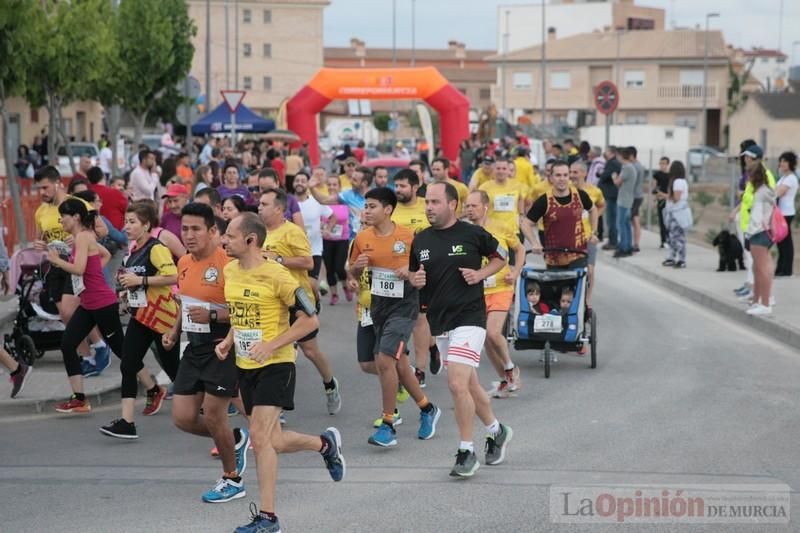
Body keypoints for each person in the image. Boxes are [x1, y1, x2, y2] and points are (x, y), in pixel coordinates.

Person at [215, 213, 344, 533]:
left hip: (277, 363)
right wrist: (229, 340)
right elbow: (238, 312)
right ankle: (324, 445)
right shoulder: (230, 270)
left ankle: (268, 518)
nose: (223, 241)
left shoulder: (278, 276)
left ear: (250, 240)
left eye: (230, 236)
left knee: (259, 438)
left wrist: (272, 345)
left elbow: (310, 321)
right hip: (245, 364)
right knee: (272, 440)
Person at [409, 182, 513, 477]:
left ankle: (467, 450)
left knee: (456, 384)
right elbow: (418, 276)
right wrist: (415, 281)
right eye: (426, 202)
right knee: (469, 385)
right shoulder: (421, 240)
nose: (428, 207)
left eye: (434, 202)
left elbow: (500, 256)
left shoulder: (472, 233)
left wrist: (480, 274)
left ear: (452, 204)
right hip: (440, 322)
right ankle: (497, 430)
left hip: (470, 317)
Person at [163, 202, 250, 503]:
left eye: (196, 229)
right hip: (194, 346)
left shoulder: (229, 262)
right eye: (184, 228)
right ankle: (235, 438)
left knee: (214, 414)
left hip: (223, 345)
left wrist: (214, 317)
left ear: (213, 230)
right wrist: (175, 331)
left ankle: (232, 479)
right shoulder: (184, 262)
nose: (188, 235)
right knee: (183, 418)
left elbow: (245, 310)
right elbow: (185, 303)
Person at [349, 187, 441, 447]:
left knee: (385, 360)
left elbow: (425, 273)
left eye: (372, 206)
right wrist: (355, 271)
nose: (366, 211)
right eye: (365, 206)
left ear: (388, 209)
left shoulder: (409, 237)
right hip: (378, 307)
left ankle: (388, 424)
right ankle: (427, 408)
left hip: (405, 306)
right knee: (399, 364)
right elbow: (353, 273)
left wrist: (410, 271)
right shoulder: (362, 238)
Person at [258, 189, 342, 415]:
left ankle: (330, 383)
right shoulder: (257, 233)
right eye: (259, 203)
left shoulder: (292, 232)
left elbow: (307, 262)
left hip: (296, 297)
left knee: (310, 350)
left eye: (264, 203)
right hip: (270, 302)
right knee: (278, 350)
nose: (259, 207)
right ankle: (276, 407)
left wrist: (279, 259)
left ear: (278, 208)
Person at [100, 201, 180, 439]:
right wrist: (125, 294)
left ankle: (206, 405)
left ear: (146, 225)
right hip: (140, 316)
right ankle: (127, 422)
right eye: (126, 222)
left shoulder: (156, 248)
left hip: (162, 318)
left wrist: (141, 282)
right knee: (128, 363)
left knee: (174, 369)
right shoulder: (134, 250)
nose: (126, 227)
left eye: (132, 222)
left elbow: (173, 276)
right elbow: (132, 280)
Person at [45, 199, 123, 413]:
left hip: (102, 302)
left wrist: (57, 260)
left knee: (122, 350)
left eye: (64, 216)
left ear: (76, 217)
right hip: (89, 303)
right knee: (68, 344)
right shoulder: (79, 238)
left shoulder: (83, 236)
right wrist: (94, 273)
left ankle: (152, 387)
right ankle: (79, 398)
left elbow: (78, 269)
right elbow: (103, 256)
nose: (61, 220)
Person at [33, 167, 112, 376]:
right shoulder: (40, 212)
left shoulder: (78, 204)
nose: (41, 192)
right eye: (38, 188)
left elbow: (103, 231)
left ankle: (101, 345)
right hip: (56, 267)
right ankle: (87, 356)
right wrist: (40, 245)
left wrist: (81, 236)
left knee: (71, 310)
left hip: (76, 262)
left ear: (58, 183)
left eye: (45, 187)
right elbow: (42, 238)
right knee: (66, 315)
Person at [464, 190, 523, 399]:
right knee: (486, 340)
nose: (469, 210)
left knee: (492, 332)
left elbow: (520, 249)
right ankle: (505, 380)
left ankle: (510, 368)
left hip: (501, 287)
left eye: (473, 206)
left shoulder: (500, 226)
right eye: (467, 206)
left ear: (485, 206)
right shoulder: (462, 230)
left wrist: (515, 272)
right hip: (477, 290)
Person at [391, 169, 440, 385]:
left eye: (402, 186)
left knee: (420, 320)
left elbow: (439, 235)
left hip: (422, 272)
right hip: (395, 274)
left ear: (414, 187)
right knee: (402, 322)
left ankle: (419, 370)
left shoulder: (426, 206)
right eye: (397, 186)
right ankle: (432, 346)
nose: (398, 190)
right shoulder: (389, 208)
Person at [524, 160, 594, 269]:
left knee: (580, 283)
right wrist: (534, 242)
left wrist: (593, 232)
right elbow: (525, 223)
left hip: (578, 254)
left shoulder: (580, 196)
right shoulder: (544, 201)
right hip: (554, 258)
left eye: (565, 175)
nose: (562, 179)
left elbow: (593, 210)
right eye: (558, 175)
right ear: (551, 178)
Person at [293, 171, 335, 290]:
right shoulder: (288, 202)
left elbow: (332, 216)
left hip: (314, 250)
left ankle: (315, 302)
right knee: (297, 286)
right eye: (297, 181)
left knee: (311, 285)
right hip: (293, 251)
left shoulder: (316, 201)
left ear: (308, 184)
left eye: (303, 181)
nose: (299, 183)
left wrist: (328, 229)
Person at [745, 164, 776, 316]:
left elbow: (756, 219)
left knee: (760, 270)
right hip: (768, 232)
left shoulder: (759, 194)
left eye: (748, 176)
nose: (747, 179)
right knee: (758, 269)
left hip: (758, 234)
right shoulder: (768, 191)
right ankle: (758, 301)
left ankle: (764, 304)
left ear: (753, 177)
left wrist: (748, 235)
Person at [309, 165, 372, 237]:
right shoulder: (347, 195)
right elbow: (324, 200)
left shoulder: (376, 197)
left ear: (365, 183)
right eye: (351, 178)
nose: (351, 181)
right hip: (353, 240)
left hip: (372, 239)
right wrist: (312, 188)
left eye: (355, 180)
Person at [321, 175, 352, 305]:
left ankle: (345, 286)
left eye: (334, 184)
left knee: (339, 267)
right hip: (327, 239)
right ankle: (334, 294)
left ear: (339, 187)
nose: (332, 187)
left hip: (342, 239)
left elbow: (350, 218)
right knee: (330, 269)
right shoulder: (322, 202)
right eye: (329, 184)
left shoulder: (344, 202)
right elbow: (318, 219)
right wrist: (322, 227)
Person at [478, 157, 526, 236]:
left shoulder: (516, 185)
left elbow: (520, 199)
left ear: (508, 170)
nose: (501, 171)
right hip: (493, 232)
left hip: (513, 232)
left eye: (504, 168)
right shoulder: (484, 187)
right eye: (498, 168)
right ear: (493, 169)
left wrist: (521, 214)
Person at [662, 161, 690, 268]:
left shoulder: (677, 182)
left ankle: (681, 259)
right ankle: (672, 258)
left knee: (678, 237)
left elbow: (676, 198)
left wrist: (665, 196)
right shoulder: (682, 181)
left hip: (677, 213)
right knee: (673, 237)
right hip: (678, 212)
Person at [774, 151, 798, 277]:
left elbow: (778, 193)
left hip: (786, 213)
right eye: (781, 161)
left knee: (785, 242)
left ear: (791, 163)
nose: (781, 163)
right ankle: (780, 268)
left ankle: (786, 270)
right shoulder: (783, 177)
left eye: (784, 161)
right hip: (780, 213)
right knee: (781, 242)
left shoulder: (791, 178)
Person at [611, 147, 636, 258]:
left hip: (624, 200)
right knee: (626, 224)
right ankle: (628, 246)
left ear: (621, 156)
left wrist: (614, 177)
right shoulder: (630, 167)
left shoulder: (626, 168)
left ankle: (624, 248)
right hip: (628, 199)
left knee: (621, 224)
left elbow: (617, 182)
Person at [598, 146, 621, 250]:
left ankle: (613, 242)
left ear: (611, 152)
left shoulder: (612, 163)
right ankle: (613, 241)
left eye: (606, 151)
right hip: (611, 194)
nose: (604, 153)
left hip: (612, 195)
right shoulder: (612, 162)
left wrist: (600, 174)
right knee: (611, 219)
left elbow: (605, 175)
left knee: (611, 219)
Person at [629, 146, 646, 252]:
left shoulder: (634, 167)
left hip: (634, 196)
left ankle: (635, 243)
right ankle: (636, 243)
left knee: (633, 220)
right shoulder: (640, 165)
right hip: (638, 195)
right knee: (635, 219)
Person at [652, 157, 671, 248]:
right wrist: (655, 199)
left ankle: (669, 239)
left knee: (669, 221)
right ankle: (663, 240)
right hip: (661, 199)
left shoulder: (671, 175)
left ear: (667, 164)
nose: (662, 165)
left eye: (664, 163)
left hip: (669, 199)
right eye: (660, 163)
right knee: (662, 221)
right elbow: (654, 188)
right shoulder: (657, 175)